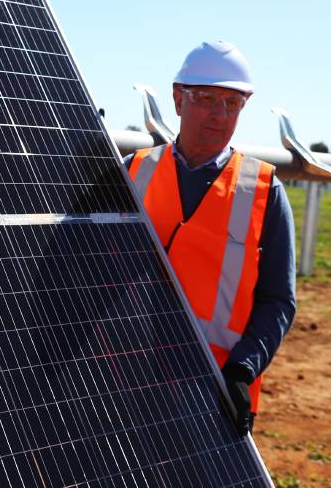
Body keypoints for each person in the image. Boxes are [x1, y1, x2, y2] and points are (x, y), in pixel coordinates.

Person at [123, 41, 296, 434]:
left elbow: (278, 301)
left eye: (231, 103)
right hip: (123, 376)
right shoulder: (132, 173)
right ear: (177, 98)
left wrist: (242, 369)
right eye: (205, 98)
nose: (219, 115)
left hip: (210, 390)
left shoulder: (265, 192)